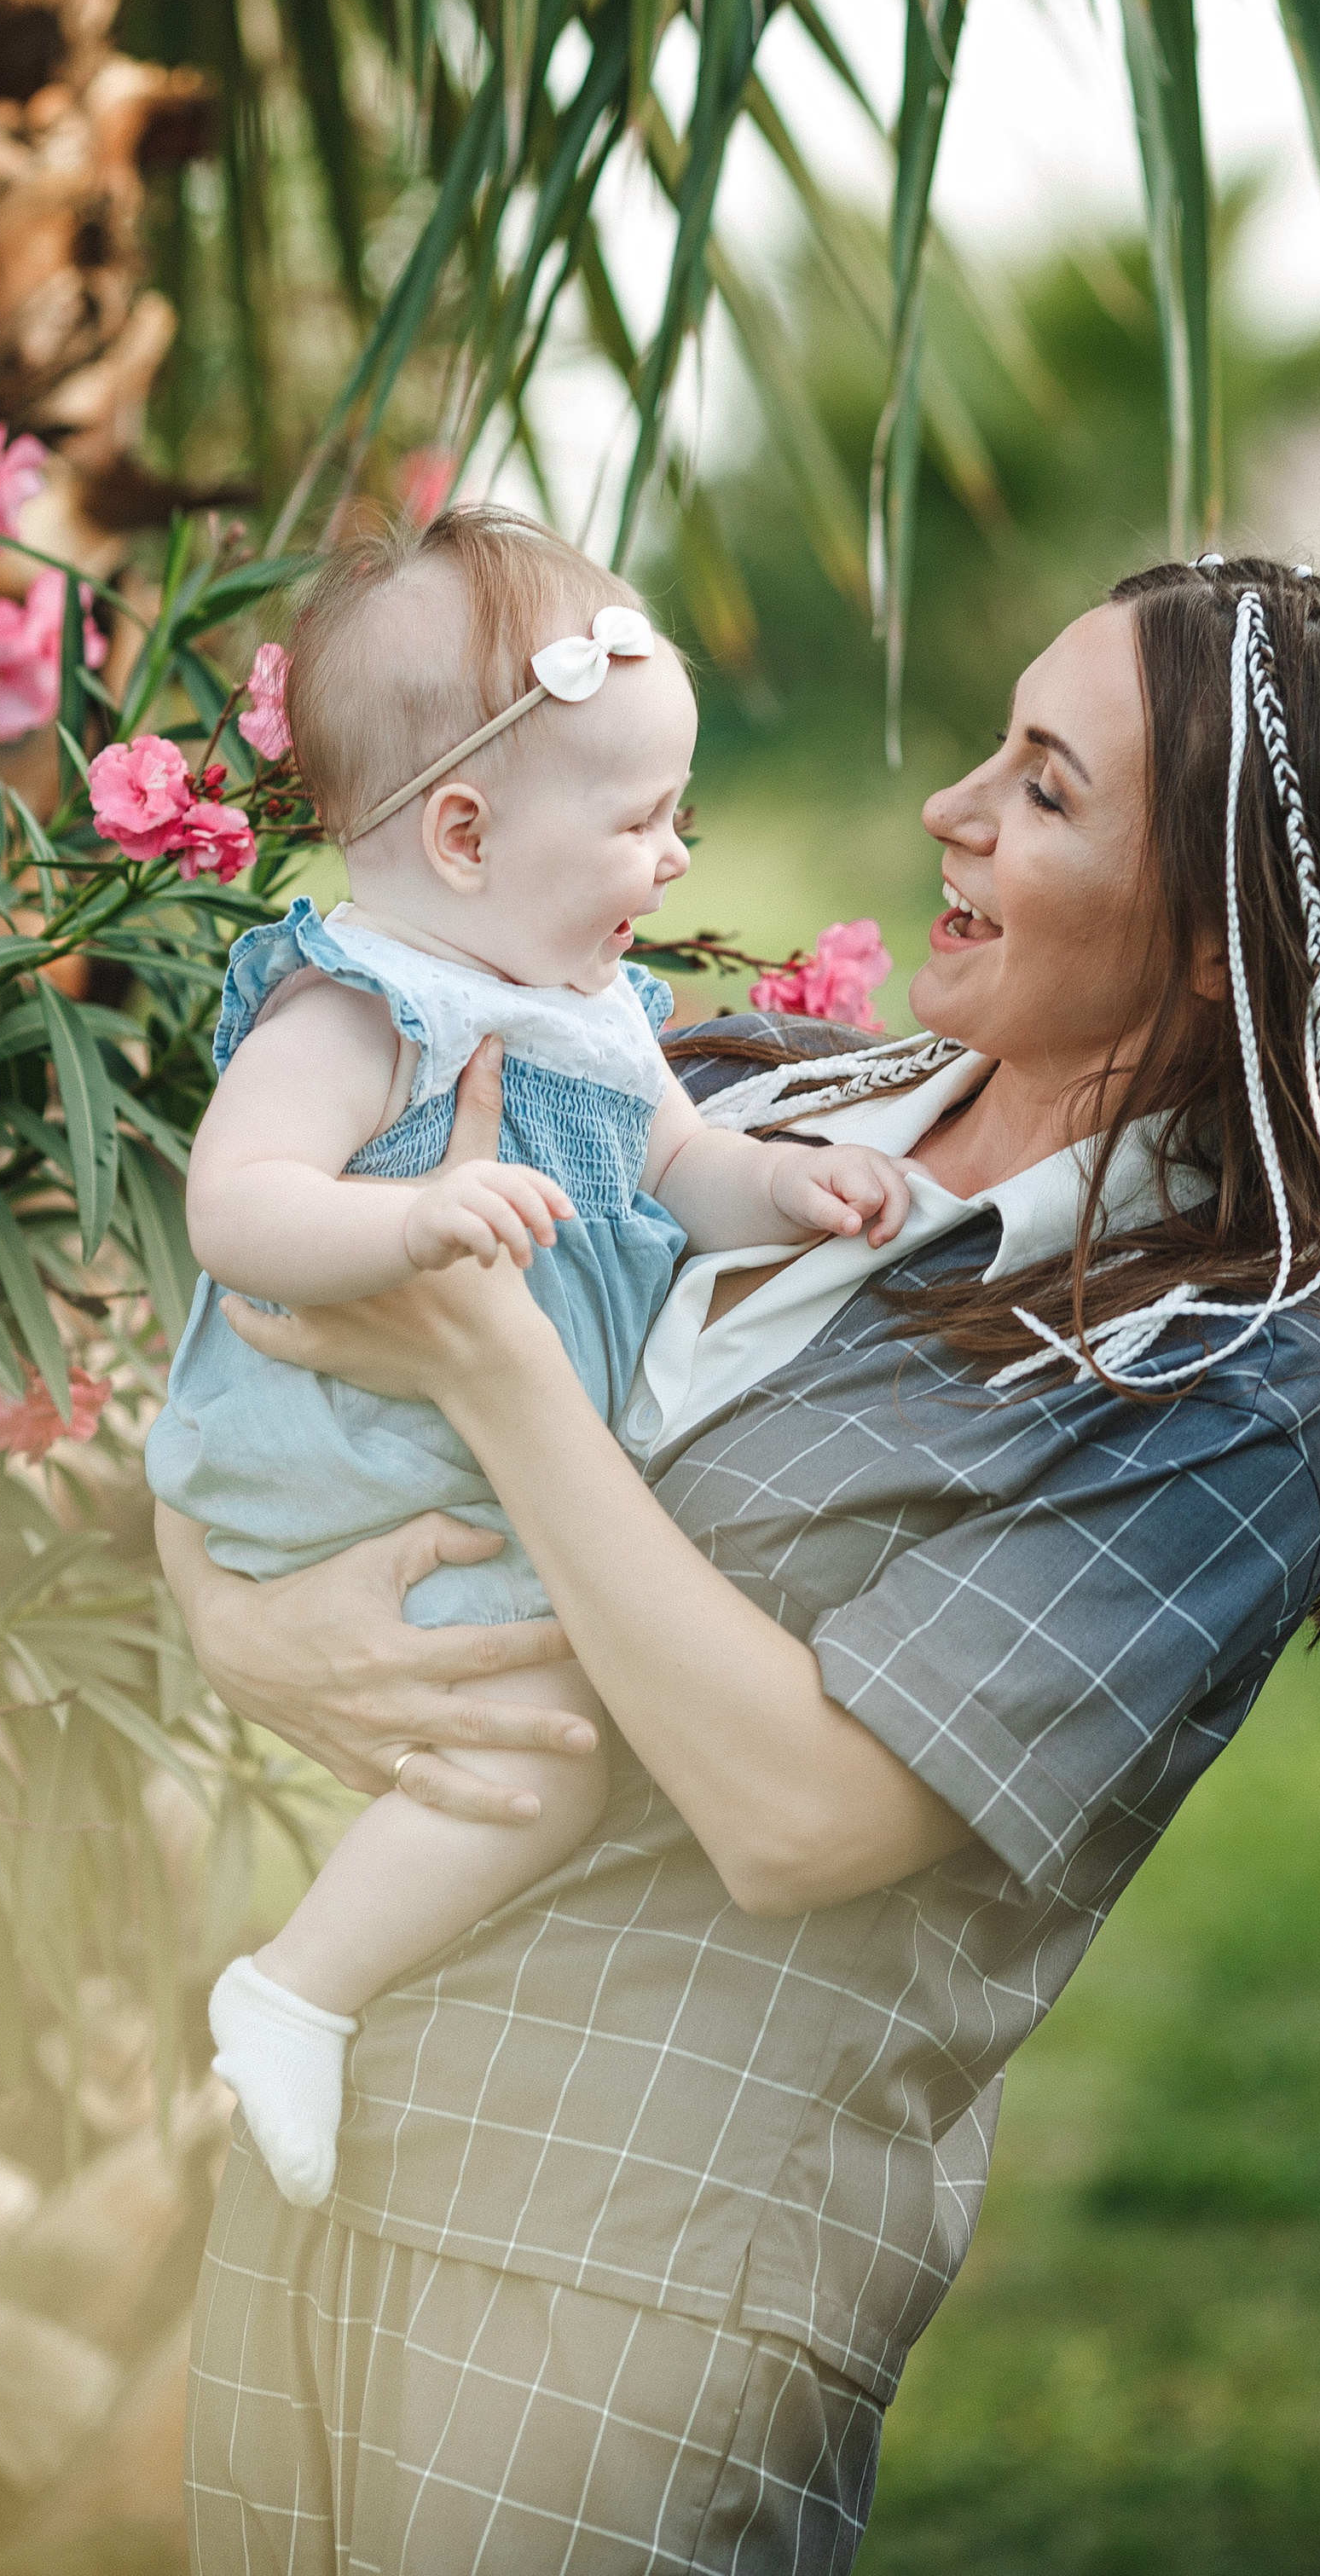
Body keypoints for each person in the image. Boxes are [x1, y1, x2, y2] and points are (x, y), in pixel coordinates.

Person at [157, 559, 1320, 2575]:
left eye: (1043, 791)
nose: (947, 812)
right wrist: (240, 1617)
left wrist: (498, 1367)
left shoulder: (1223, 1381)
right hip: (321, 2162)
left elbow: (802, 1813)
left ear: (1224, 941)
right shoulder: (737, 1096)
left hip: (622, 2284)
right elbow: (260, 1365)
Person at [150, 511, 910, 2208]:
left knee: (549, 1720)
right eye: (641, 820)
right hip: (343, 1455)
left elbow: (676, 1170)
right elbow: (238, 1207)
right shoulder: (354, 1008)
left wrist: (782, 1183)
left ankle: (310, 1987)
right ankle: (294, 1993)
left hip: (457, 1451)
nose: (673, 860)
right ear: (464, 833)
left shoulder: (596, 1013)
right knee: (541, 1752)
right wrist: (408, 1229)